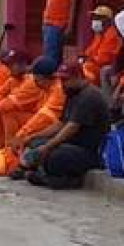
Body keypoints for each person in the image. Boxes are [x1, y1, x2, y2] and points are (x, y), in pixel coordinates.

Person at [22, 62, 111, 190]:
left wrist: (47, 147)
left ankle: (65, 179)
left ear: (78, 77)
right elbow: (61, 124)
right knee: (34, 143)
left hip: (90, 151)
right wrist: (33, 136)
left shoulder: (89, 96)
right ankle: (39, 170)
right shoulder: (72, 93)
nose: (63, 83)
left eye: (66, 79)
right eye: (61, 79)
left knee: (54, 157)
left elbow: (71, 128)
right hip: (73, 144)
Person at [80, 5, 122, 86]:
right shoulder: (99, 34)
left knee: (86, 68)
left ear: (107, 20)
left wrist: (87, 58)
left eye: (98, 18)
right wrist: (84, 56)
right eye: (94, 18)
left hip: (103, 67)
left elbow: (103, 59)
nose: (94, 20)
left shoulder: (112, 35)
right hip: (94, 64)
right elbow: (89, 51)